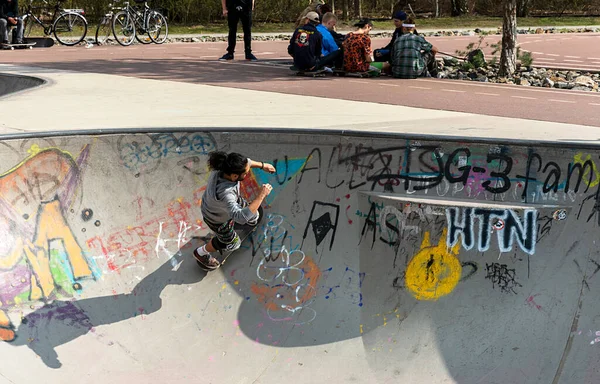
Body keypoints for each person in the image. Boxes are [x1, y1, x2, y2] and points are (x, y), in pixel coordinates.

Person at [194, 151, 275, 270]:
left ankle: (251, 218)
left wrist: (263, 165)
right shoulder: (226, 193)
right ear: (234, 176)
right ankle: (200, 252)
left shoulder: (224, 166)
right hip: (216, 218)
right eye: (246, 173)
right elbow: (241, 218)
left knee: (253, 214)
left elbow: (247, 162)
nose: (247, 174)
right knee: (233, 244)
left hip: (226, 204)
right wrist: (261, 195)